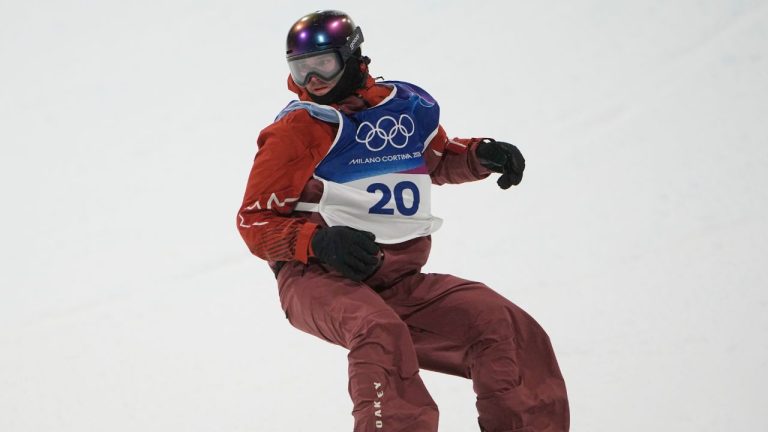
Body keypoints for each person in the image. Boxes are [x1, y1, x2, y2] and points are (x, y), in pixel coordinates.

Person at [237, 10, 569, 432]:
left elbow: (436, 159)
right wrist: (317, 243)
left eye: (323, 65)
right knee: (379, 332)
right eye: (300, 70)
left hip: (397, 280)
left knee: (502, 325)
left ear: (353, 55)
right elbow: (254, 220)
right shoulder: (297, 131)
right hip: (316, 280)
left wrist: (479, 156)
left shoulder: (404, 111)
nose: (312, 81)